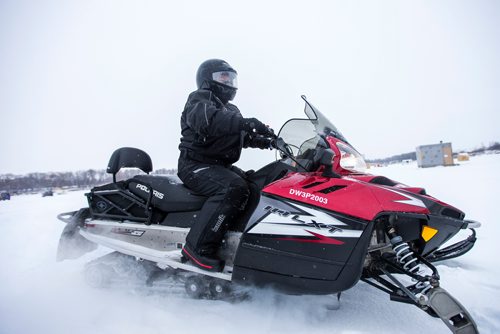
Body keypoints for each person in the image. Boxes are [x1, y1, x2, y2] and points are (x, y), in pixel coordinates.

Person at [178, 59, 275, 272]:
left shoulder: (230, 108)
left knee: (255, 185)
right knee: (233, 188)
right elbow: (210, 122)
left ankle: (234, 239)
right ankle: (197, 248)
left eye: (231, 78)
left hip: (218, 166)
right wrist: (246, 122)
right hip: (194, 164)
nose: (229, 82)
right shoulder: (200, 99)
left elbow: (239, 135)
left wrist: (267, 141)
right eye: (223, 77)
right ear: (207, 79)